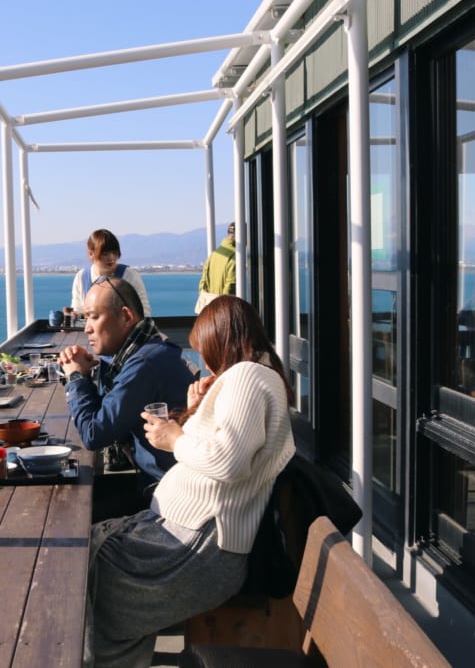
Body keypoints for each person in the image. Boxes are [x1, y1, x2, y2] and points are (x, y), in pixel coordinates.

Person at [84, 296, 295, 667]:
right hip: (185, 537)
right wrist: (195, 410)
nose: (201, 361)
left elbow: (228, 463)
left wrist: (174, 438)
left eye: (203, 350)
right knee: (86, 568)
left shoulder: (247, 376)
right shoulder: (252, 378)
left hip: (197, 548)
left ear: (220, 340)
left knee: (79, 577)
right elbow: (224, 452)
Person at [58, 277, 193, 512]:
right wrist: (89, 372)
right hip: (163, 482)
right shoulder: (149, 350)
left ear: (126, 316)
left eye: (94, 316)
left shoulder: (143, 364)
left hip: (166, 495)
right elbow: (107, 412)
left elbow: (94, 434)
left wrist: (76, 378)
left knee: (66, 508)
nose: (87, 327)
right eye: (85, 317)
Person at [71, 229, 152, 317]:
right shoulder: (82, 277)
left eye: (114, 253)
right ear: (91, 254)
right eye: (105, 254)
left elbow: (143, 312)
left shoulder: (129, 275)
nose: (111, 258)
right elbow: (78, 310)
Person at [195, 221, 237, 314]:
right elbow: (230, 286)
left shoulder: (214, 254)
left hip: (210, 309)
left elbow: (202, 283)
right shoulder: (236, 256)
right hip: (223, 310)